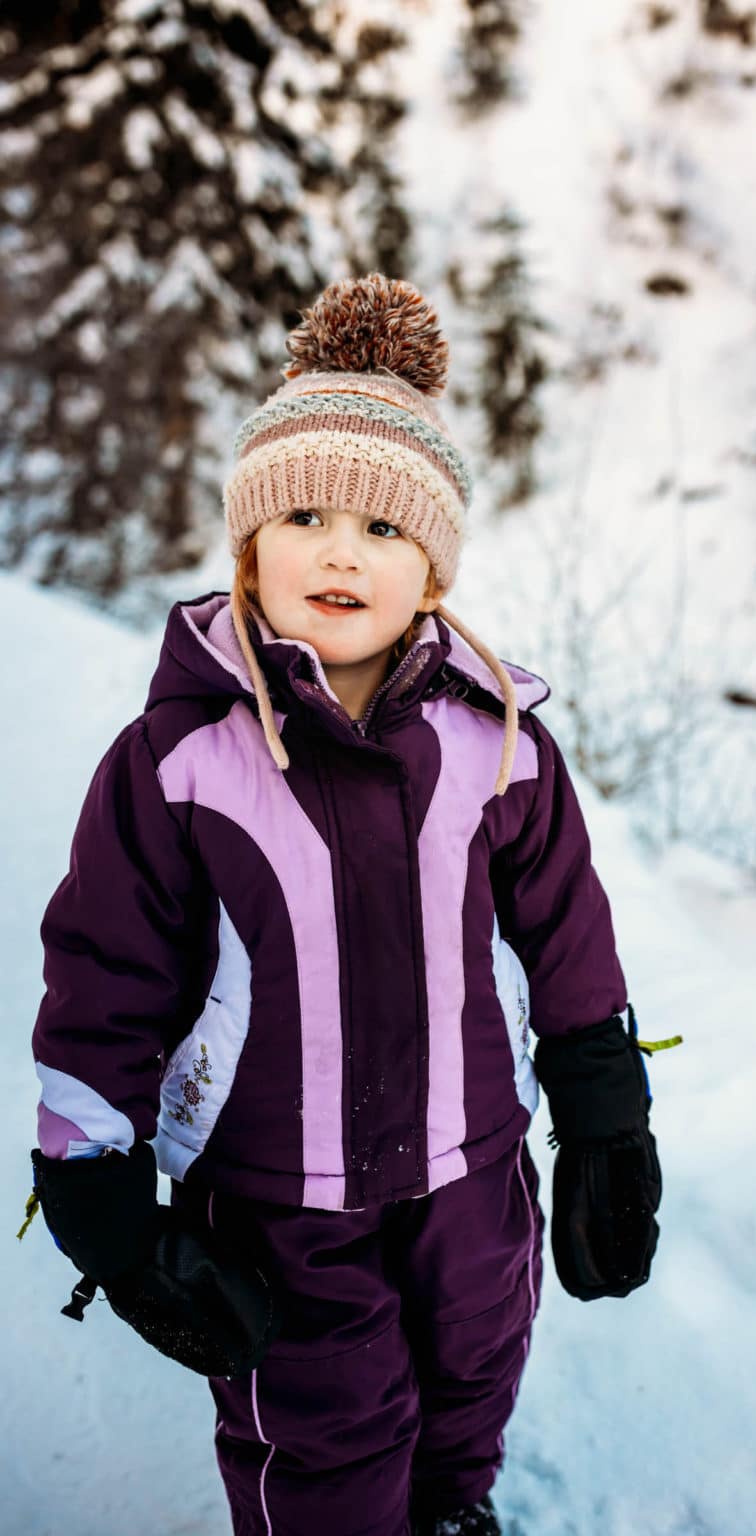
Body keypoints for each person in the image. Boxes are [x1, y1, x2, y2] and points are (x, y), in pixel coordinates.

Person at [26, 273, 667, 1536]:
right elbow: (108, 972)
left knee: (470, 1380)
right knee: (323, 1435)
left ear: (429, 564)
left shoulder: (500, 751)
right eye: (304, 513)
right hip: (275, 1198)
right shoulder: (180, 761)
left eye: (383, 528)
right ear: (246, 545)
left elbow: (565, 935)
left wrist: (603, 1108)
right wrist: (93, 1186)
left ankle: (448, 1513)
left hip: (473, 1170)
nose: (339, 549)